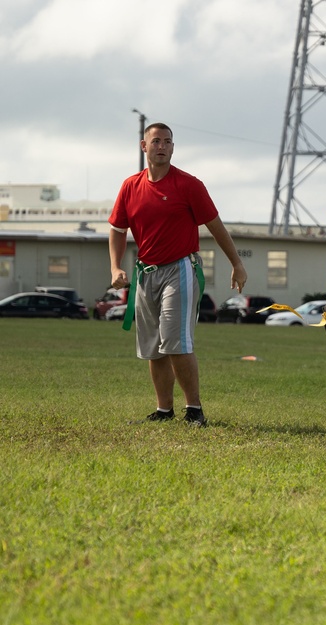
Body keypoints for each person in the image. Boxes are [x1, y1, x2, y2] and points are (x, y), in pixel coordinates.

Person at [108, 122, 248, 427]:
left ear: (173, 147)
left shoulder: (188, 185)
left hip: (180, 269)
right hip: (146, 273)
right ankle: (163, 410)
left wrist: (236, 263)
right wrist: (116, 266)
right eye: (156, 141)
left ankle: (194, 409)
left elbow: (215, 226)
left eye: (167, 142)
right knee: (154, 347)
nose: (162, 146)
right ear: (144, 147)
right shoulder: (130, 186)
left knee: (175, 341)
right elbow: (118, 230)